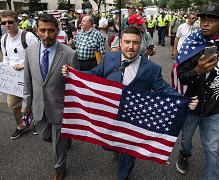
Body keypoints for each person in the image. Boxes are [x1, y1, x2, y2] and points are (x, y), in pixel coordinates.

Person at [62, 25, 199, 180]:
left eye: (135, 43)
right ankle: (114, 147)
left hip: (133, 119)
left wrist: (184, 101)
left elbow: (163, 88)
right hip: (110, 114)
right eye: (127, 42)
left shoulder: (152, 69)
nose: (131, 47)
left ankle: (123, 175)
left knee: (128, 150)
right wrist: (74, 74)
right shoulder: (108, 58)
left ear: (141, 44)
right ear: (120, 43)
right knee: (107, 145)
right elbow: (94, 75)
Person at [175, 4, 219, 180]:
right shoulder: (191, 44)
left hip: (214, 107)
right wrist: (197, 70)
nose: (205, 24)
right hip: (191, 105)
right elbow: (181, 77)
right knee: (185, 141)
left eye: (211, 20)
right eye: (203, 20)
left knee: (212, 148)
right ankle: (184, 155)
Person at [22, 13, 79, 180]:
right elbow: (28, 80)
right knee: (45, 136)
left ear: (57, 30)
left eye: (51, 31)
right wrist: (26, 104)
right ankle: (65, 140)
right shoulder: (30, 51)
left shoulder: (69, 54)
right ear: (37, 30)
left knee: (58, 142)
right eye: (42, 30)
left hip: (60, 106)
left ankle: (59, 168)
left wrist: (71, 76)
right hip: (39, 106)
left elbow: (76, 85)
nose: (47, 35)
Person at [0, 10, 38, 139]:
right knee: (12, 104)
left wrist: (23, 65)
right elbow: (6, 58)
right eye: (4, 22)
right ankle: (22, 126)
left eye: (10, 22)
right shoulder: (4, 38)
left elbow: (38, 57)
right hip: (13, 78)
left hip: (30, 76)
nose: (7, 25)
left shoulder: (28, 37)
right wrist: (4, 73)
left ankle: (38, 123)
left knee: (34, 102)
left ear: (17, 22)